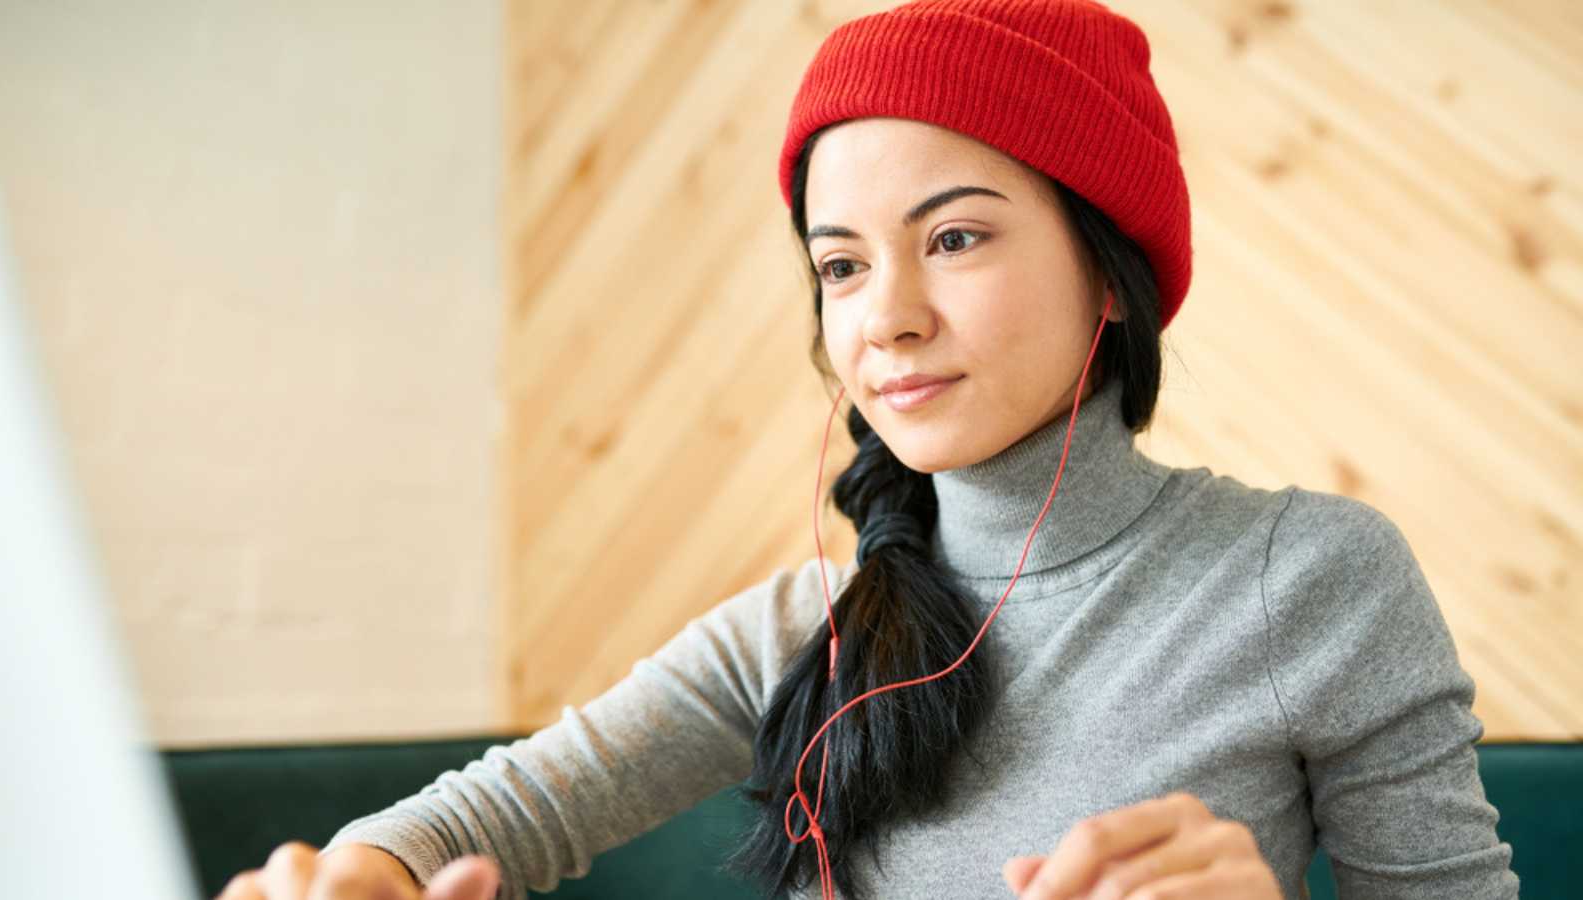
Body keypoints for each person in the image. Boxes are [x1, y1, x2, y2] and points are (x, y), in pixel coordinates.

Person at [218, 1, 1520, 898]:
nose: (886, 313)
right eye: (840, 264)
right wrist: (359, 875)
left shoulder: (1311, 577)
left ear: (1109, 270)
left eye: (955, 237)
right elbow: (467, 823)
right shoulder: (805, 631)